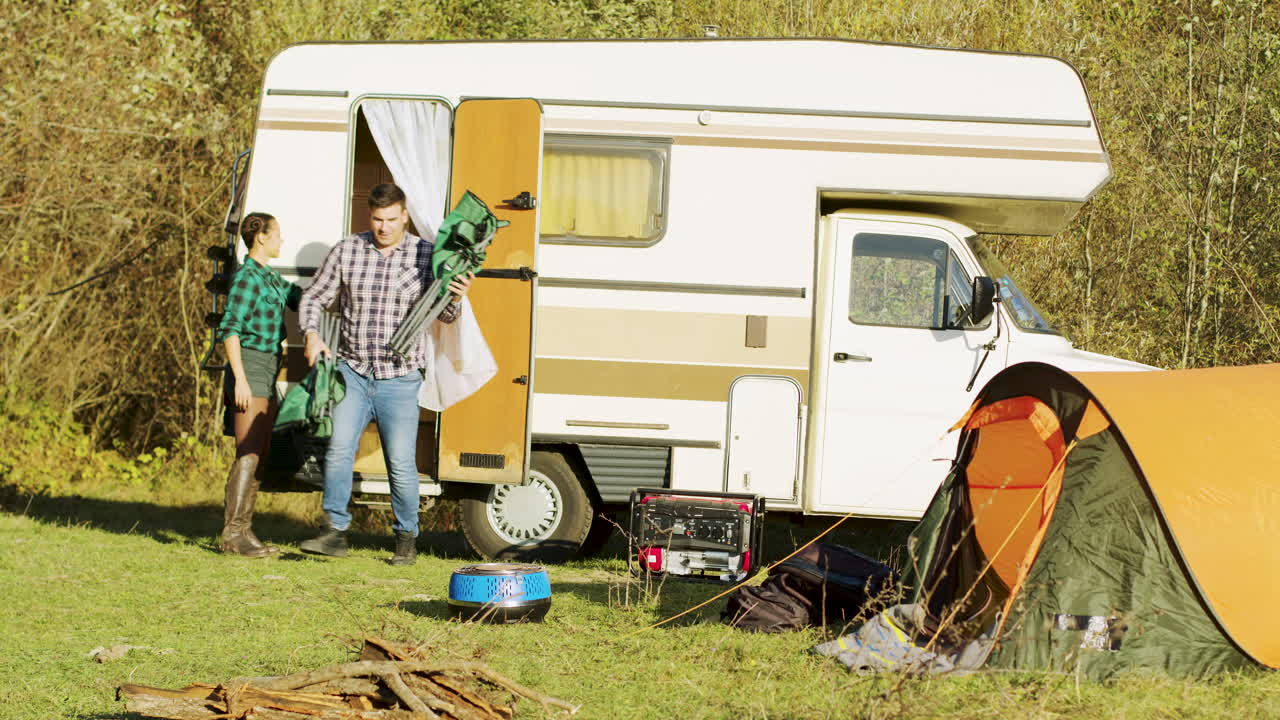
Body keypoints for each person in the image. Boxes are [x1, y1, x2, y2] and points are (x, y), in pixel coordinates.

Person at [298, 183, 472, 566]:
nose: (384, 227)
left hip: (400, 377)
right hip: (353, 371)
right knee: (339, 449)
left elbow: (444, 315)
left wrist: (456, 297)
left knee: (400, 463)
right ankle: (334, 531)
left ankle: (406, 540)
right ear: (370, 216)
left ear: (404, 216)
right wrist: (311, 334)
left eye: (391, 219)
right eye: (378, 219)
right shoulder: (347, 250)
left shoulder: (427, 255)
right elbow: (313, 296)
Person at [216, 212, 301, 557]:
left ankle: (244, 530)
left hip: (267, 368)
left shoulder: (270, 277)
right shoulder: (246, 278)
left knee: (261, 452)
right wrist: (239, 378)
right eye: (277, 234)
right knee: (248, 452)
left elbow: (301, 298)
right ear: (262, 237)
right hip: (249, 366)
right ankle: (232, 534)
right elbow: (230, 329)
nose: (282, 240)